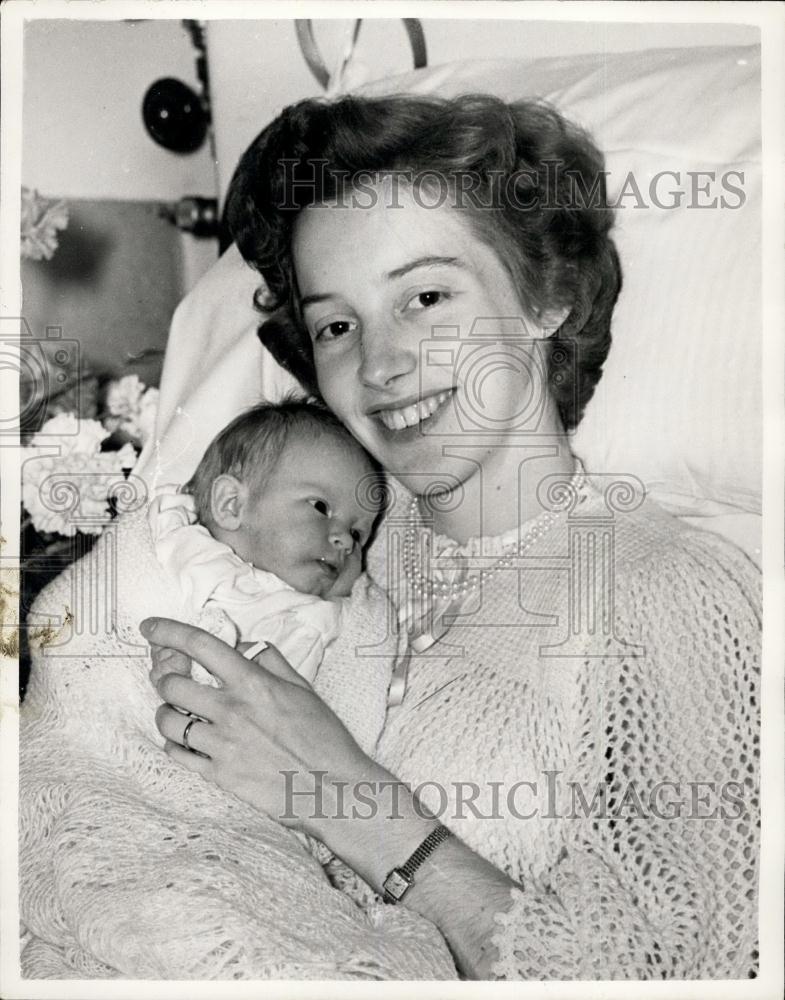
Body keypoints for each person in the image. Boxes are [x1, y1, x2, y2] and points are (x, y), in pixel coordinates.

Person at [147, 92, 761, 980]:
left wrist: (343, 798)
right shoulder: (307, 548)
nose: (381, 364)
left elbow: (672, 974)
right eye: (336, 326)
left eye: (425, 297)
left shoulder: (670, 596)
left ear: (544, 296)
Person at [148, 398, 384, 684]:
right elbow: (112, 592)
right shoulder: (175, 541)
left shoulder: (315, 622)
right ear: (232, 504)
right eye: (321, 507)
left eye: (358, 534)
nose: (346, 541)